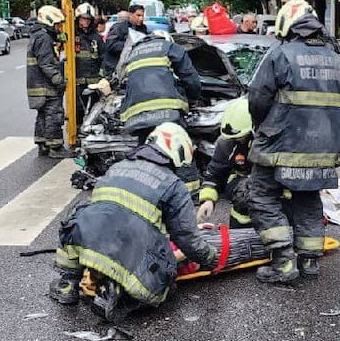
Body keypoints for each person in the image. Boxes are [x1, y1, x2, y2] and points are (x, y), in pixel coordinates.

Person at [47, 123, 219, 319]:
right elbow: (186, 237)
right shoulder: (173, 185)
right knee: (164, 286)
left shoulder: (117, 167)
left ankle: (67, 283)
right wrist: (209, 258)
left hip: (88, 239)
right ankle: (120, 297)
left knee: (79, 217)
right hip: (128, 250)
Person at [247, 0, 340, 283]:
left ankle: (282, 263)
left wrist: (262, 127)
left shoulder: (282, 54)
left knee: (262, 195)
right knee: (308, 197)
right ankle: (310, 262)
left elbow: (257, 99)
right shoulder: (336, 58)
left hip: (281, 143)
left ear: (287, 25)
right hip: (323, 147)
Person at [113, 31, 201, 140]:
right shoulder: (170, 47)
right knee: (177, 146)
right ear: (167, 39)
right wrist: (193, 98)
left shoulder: (132, 54)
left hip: (135, 117)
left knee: (146, 150)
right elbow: (190, 79)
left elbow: (127, 83)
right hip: (168, 113)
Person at [196, 97, 260, 228]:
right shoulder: (226, 142)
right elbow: (214, 174)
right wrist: (208, 200)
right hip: (241, 183)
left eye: (240, 137)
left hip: (270, 183)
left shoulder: (268, 141)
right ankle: (240, 232)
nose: (237, 141)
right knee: (245, 192)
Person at [26, 6, 74, 158]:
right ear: (50, 21)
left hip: (38, 85)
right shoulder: (44, 38)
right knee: (54, 114)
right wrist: (59, 81)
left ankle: (43, 144)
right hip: (46, 86)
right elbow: (46, 64)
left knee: (43, 115)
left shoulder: (37, 35)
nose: (59, 28)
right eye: (58, 24)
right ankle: (55, 147)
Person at [72, 3, 104, 122]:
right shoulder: (72, 36)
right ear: (78, 19)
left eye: (88, 19)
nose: (86, 21)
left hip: (94, 82)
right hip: (77, 83)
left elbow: (103, 57)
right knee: (78, 111)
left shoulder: (96, 38)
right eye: (83, 18)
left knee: (94, 111)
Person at [101, 0, 148, 77]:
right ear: (130, 14)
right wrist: (129, 46)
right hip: (114, 67)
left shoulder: (143, 29)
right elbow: (110, 45)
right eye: (138, 15)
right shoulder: (119, 27)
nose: (141, 18)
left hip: (132, 68)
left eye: (142, 16)